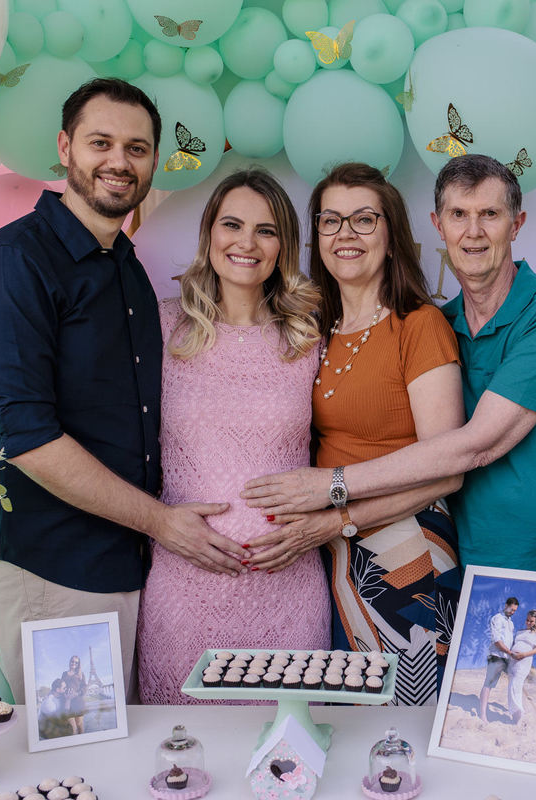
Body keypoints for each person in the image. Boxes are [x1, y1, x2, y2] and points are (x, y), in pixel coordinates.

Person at [244, 154, 536, 705]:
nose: (473, 232)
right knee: (493, 753)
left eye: (490, 215)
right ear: (437, 224)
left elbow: (477, 444)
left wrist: (331, 488)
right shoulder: (443, 322)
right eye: (459, 215)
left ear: (516, 225)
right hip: (486, 582)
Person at [0, 78, 247, 704]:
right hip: (50, 566)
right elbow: (26, 439)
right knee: (76, 765)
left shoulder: (127, 268)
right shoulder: (15, 263)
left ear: (154, 162)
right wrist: (164, 523)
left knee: (122, 767)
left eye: (137, 148)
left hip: (127, 566)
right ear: (65, 148)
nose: (119, 161)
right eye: (100, 142)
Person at [244, 162, 464, 706]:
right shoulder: (314, 330)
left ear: (391, 237)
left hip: (404, 548)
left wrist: (335, 513)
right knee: (353, 725)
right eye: (331, 220)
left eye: (364, 220)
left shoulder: (418, 325)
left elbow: (447, 470)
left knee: (409, 720)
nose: (345, 234)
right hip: (333, 554)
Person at [135, 170, 329, 703]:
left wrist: (322, 519)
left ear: (284, 246)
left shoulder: (311, 335)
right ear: (209, 235)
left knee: (288, 762)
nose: (247, 242)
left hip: (287, 583)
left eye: (266, 230)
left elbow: (341, 445)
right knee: (184, 760)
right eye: (232, 225)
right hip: (184, 584)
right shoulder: (161, 328)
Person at [479, 597, 518, 722]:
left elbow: (510, 641)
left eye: (514, 611)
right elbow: (497, 641)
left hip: (507, 658)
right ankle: (483, 714)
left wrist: (512, 653)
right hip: (496, 656)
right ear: (506, 605)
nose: (512, 612)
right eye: (511, 609)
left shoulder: (511, 623)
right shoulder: (497, 618)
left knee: (514, 682)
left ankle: (515, 712)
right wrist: (510, 652)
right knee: (488, 684)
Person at [506, 609, 536, 724]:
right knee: (511, 685)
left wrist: (523, 654)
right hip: (513, 660)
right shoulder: (520, 632)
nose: (528, 623)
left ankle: (518, 712)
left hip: (524, 660)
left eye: (531, 621)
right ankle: (516, 712)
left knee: (515, 684)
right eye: (527, 620)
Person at [59, 655, 87, 735]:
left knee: (79, 725)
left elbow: (85, 687)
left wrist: (77, 693)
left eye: (76, 662)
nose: (74, 663)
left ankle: (83, 744)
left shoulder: (81, 674)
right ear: (70, 662)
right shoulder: (64, 674)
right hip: (67, 703)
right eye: (72, 661)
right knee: (73, 729)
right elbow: (61, 685)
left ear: (78, 664)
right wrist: (64, 694)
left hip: (78, 702)